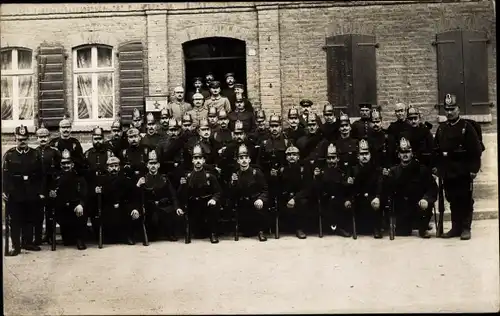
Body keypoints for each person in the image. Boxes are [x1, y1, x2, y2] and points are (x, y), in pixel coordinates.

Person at [434, 93, 482, 240]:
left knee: (465, 199)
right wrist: (436, 168)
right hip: (448, 172)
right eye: (447, 109)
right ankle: (455, 227)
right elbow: (436, 150)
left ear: (458, 109)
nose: (449, 112)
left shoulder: (467, 128)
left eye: (452, 109)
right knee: (452, 199)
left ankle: (466, 228)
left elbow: (476, 151)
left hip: (463, 171)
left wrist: (474, 169)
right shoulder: (441, 129)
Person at [3, 125, 44, 256]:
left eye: (25, 139)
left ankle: (28, 242)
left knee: (30, 219)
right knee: (15, 220)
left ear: (28, 139)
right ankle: (16, 246)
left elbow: (40, 174)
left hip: (31, 192)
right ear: (15, 139)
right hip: (15, 193)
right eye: (20, 139)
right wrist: (4, 191)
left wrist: (40, 191)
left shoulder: (35, 154)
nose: (22, 142)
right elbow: (4, 175)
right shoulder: (9, 155)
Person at [385, 137, 437, 238]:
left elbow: (432, 188)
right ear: (398, 154)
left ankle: (423, 227)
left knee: (424, 207)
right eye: (402, 152)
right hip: (403, 208)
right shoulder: (393, 171)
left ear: (412, 153)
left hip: (419, 205)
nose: (405, 154)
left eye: (408, 152)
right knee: (402, 233)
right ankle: (407, 225)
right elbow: (389, 192)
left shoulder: (421, 170)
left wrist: (426, 199)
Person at [179, 144, 222, 243]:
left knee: (213, 208)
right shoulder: (188, 176)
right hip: (194, 204)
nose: (198, 161)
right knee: (198, 233)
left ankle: (213, 234)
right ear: (192, 161)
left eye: (200, 158)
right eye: (195, 158)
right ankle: (188, 233)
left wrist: (213, 199)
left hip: (206, 203)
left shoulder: (209, 176)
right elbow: (182, 194)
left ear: (203, 160)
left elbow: (218, 191)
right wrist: (182, 186)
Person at [136, 150, 182, 242]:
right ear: (147, 165)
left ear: (158, 165)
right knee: (151, 233)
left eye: (155, 163)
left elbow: (173, 195)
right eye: (151, 163)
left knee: (171, 212)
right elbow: (137, 196)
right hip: (150, 208)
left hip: (163, 206)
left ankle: (170, 233)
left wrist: (177, 207)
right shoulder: (143, 179)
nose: (153, 166)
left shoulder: (165, 179)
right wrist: (138, 185)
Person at [50, 149, 88, 250]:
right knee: (67, 241)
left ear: (72, 165)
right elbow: (53, 193)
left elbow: (84, 194)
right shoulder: (56, 178)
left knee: (80, 213)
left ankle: (80, 238)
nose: (66, 166)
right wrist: (52, 195)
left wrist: (81, 204)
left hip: (75, 207)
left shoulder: (79, 178)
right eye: (63, 164)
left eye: (68, 164)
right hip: (62, 208)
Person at [95, 156, 138, 245]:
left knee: (127, 213)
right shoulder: (101, 180)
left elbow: (132, 196)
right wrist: (97, 191)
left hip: (122, 205)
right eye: (111, 166)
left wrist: (134, 208)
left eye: (115, 166)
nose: (113, 168)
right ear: (107, 168)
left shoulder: (126, 180)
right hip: (108, 206)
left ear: (119, 167)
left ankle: (127, 236)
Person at [230, 144, 269, 241]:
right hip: (243, 203)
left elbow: (265, 189)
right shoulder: (236, 174)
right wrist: (233, 183)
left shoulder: (256, 172)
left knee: (260, 211)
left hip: (255, 201)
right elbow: (231, 193)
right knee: (247, 233)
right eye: (241, 158)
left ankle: (261, 232)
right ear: (238, 161)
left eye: (246, 158)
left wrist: (261, 199)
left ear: (249, 160)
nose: (244, 160)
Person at [313, 143, 352, 237]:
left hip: (340, 198)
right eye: (329, 158)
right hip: (325, 198)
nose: (331, 160)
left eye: (333, 158)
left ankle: (340, 227)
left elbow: (347, 188)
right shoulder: (322, 172)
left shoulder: (343, 171)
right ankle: (329, 226)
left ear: (338, 159)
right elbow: (318, 188)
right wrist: (316, 177)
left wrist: (347, 198)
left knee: (340, 202)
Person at [347, 139, 384, 238]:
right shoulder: (353, 169)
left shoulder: (376, 169)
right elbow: (349, 187)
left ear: (370, 155)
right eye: (362, 154)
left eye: (366, 154)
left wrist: (377, 197)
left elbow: (379, 184)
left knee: (377, 202)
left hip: (372, 198)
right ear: (358, 156)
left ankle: (377, 228)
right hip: (358, 199)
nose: (364, 156)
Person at [84, 127, 114, 240]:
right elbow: (85, 174)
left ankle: (106, 235)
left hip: (106, 188)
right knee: (92, 211)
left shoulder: (109, 153)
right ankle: (95, 234)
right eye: (95, 138)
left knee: (107, 211)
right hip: (92, 189)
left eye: (100, 138)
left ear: (103, 139)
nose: (98, 141)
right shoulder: (87, 154)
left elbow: (112, 172)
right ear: (92, 139)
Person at [34, 124, 61, 246]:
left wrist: (54, 188)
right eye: (40, 137)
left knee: (50, 213)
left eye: (45, 136)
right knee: (38, 213)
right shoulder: (34, 152)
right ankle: (39, 237)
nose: (43, 139)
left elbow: (60, 170)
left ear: (49, 137)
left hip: (51, 186)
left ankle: (50, 235)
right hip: (39, 187)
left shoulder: (55, 152)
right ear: (37, 138)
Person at [279, 145, 310, 239]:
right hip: (285, 196)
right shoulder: (282, 169)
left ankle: (299, 228)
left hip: (300, 196)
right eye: (289, 155)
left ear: (298, 157)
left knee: (302, 203)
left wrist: (295, 198)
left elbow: (307, 188)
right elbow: (278, 186)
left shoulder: (304, 169)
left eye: (294, 154)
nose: (291, 157)